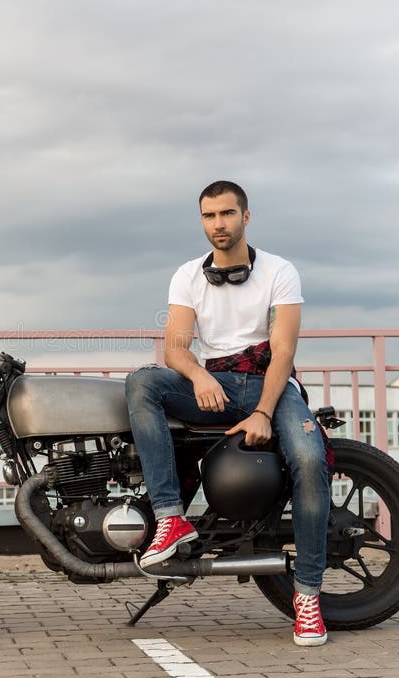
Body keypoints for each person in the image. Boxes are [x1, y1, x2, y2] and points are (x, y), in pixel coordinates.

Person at [125, 181, 330, 646]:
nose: (218, 224)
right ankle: (170, 518)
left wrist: (262, 411)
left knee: (311, 461)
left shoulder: (280, 270)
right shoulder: (187, 275)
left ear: (246, 217)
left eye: (227, 214)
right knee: (142, 382)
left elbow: (282, 351)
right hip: (214, 384)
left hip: (270, 385)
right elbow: (176, 347)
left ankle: (308, 597)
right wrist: (198, 377)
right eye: (209, 216)